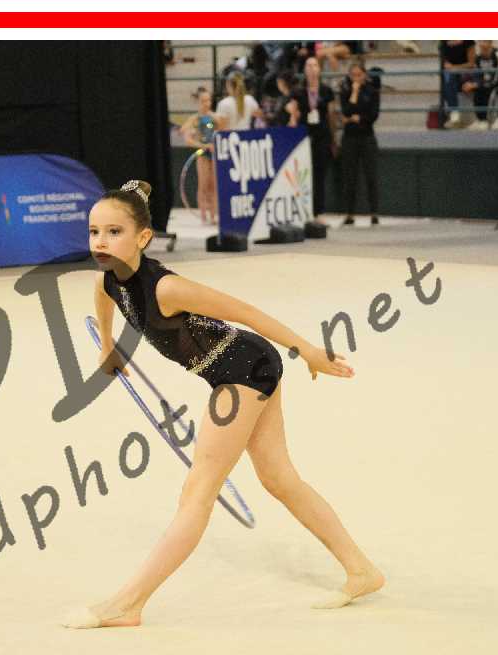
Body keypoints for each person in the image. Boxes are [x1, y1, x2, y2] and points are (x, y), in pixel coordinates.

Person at [68, 180, 384, 628]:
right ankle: (361, 570)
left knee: (198, 490)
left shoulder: (167, 288)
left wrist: (309, 351)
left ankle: (128, 604)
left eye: (114, 232)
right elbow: (104, 296)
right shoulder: (108, 278)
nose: (100, 242)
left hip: (244, 369)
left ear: (143, 237)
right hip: (236, 370)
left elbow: (246, 312)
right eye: (94, 232)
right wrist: (107, 346)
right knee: (279, 478)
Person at [288, 56, 338, 225]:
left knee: (319, 174)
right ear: (304, 70)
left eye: (314, 65)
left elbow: (331, 115)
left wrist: (333, 138)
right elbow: (293, 113)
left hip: (322, 135)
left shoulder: (326, 91)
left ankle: (318, 211)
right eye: (308, 65)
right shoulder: (298, 92)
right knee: (303, 174)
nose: (311, 68)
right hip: (304, 136)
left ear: (319, 69)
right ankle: (303, 210)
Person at [338, 59, 380, 226]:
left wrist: (359, 118)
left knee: (371, 175)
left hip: (367, 136)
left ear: (364, 75)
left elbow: (373, 114)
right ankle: (350, 213)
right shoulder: (345, 90)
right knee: (350, 176)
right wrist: (354, 93)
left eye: (359, 75)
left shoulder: (372, 91)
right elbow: (346, 111)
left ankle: (374, 212)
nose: (356, 78)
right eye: (353, 75)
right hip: (350, 138)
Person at [180, 87, 219, 224]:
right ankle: (203, 215)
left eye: (209, 100)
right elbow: (186, 137)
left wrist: (214, 144)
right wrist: (201, 143)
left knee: (214, 185)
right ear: (198, 102)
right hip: (202, 154)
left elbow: (222, 132)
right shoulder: (195, 119)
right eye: (203, 101)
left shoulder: (215, 117)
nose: (207, 103)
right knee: (204, 185)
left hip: (214, 153)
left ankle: (213, 215)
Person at [463, 40, 498, 130]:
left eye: (485, 42)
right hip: (489, 80)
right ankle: (481, 120)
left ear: (490, 43)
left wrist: (479, 84)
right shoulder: (478, 57)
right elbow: (478, 75)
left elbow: (496, 77)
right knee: (478, 91)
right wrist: (472, 84)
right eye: (480, 42)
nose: (482, 45)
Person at [439, 39, 476, 128]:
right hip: (451, 74)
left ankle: (454, 112)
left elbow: (471, 64)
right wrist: (448, 66)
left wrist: (455, 67)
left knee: (449, 76)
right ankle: (454, 113)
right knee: (446, 77)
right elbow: (444, 61)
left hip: (466, 73)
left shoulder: (468, 40)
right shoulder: (444, 40)